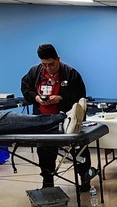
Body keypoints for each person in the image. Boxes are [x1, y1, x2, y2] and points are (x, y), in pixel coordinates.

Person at [21, 43, 92, 190]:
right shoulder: (34, 72)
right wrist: (36, 98)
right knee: (45, 153)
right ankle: (48, 182)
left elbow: (80, 97)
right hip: (44, 121)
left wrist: (60, 98)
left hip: (66, 120)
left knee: (79, 151)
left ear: (58, 59)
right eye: (44, 64)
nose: (48, 68)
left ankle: (85, 179)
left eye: (51, 64)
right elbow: (26, 89)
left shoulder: (71, 74)